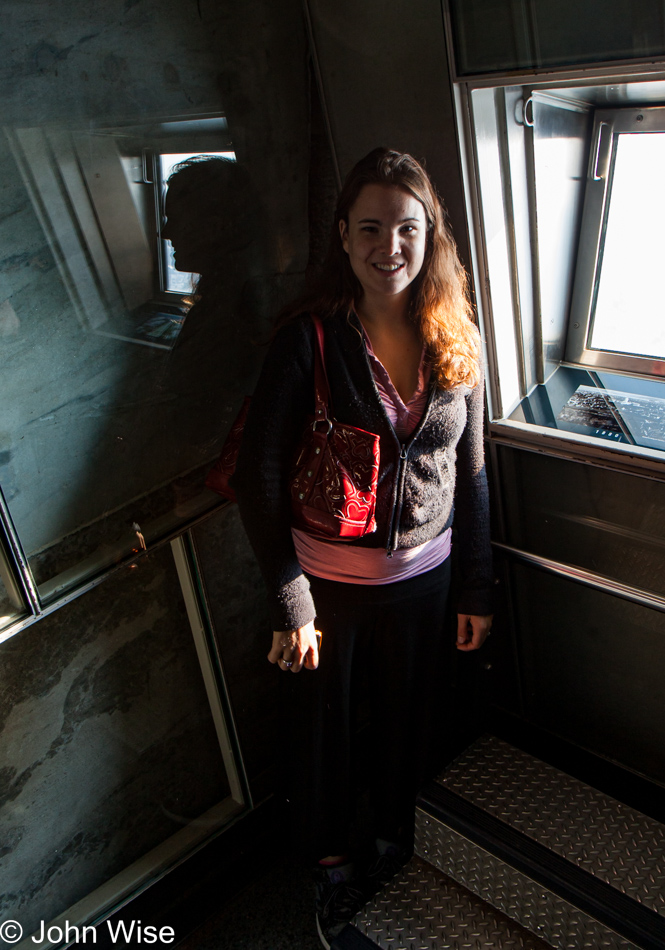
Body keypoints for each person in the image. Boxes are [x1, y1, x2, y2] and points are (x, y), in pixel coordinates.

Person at [233, 147, 494, 948]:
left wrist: (476, 587)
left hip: (426, 581)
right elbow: (258, 475)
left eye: (407, 228)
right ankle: (331, 864)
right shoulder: (307, 341)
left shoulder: (454, 335)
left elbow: (471, 470)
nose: (390, 246)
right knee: (324, 738)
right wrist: (292, 603)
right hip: (328, 591)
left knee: (409, 725)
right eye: (371, 227)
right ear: (343, 235)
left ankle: (392, 840)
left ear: (431, 236)